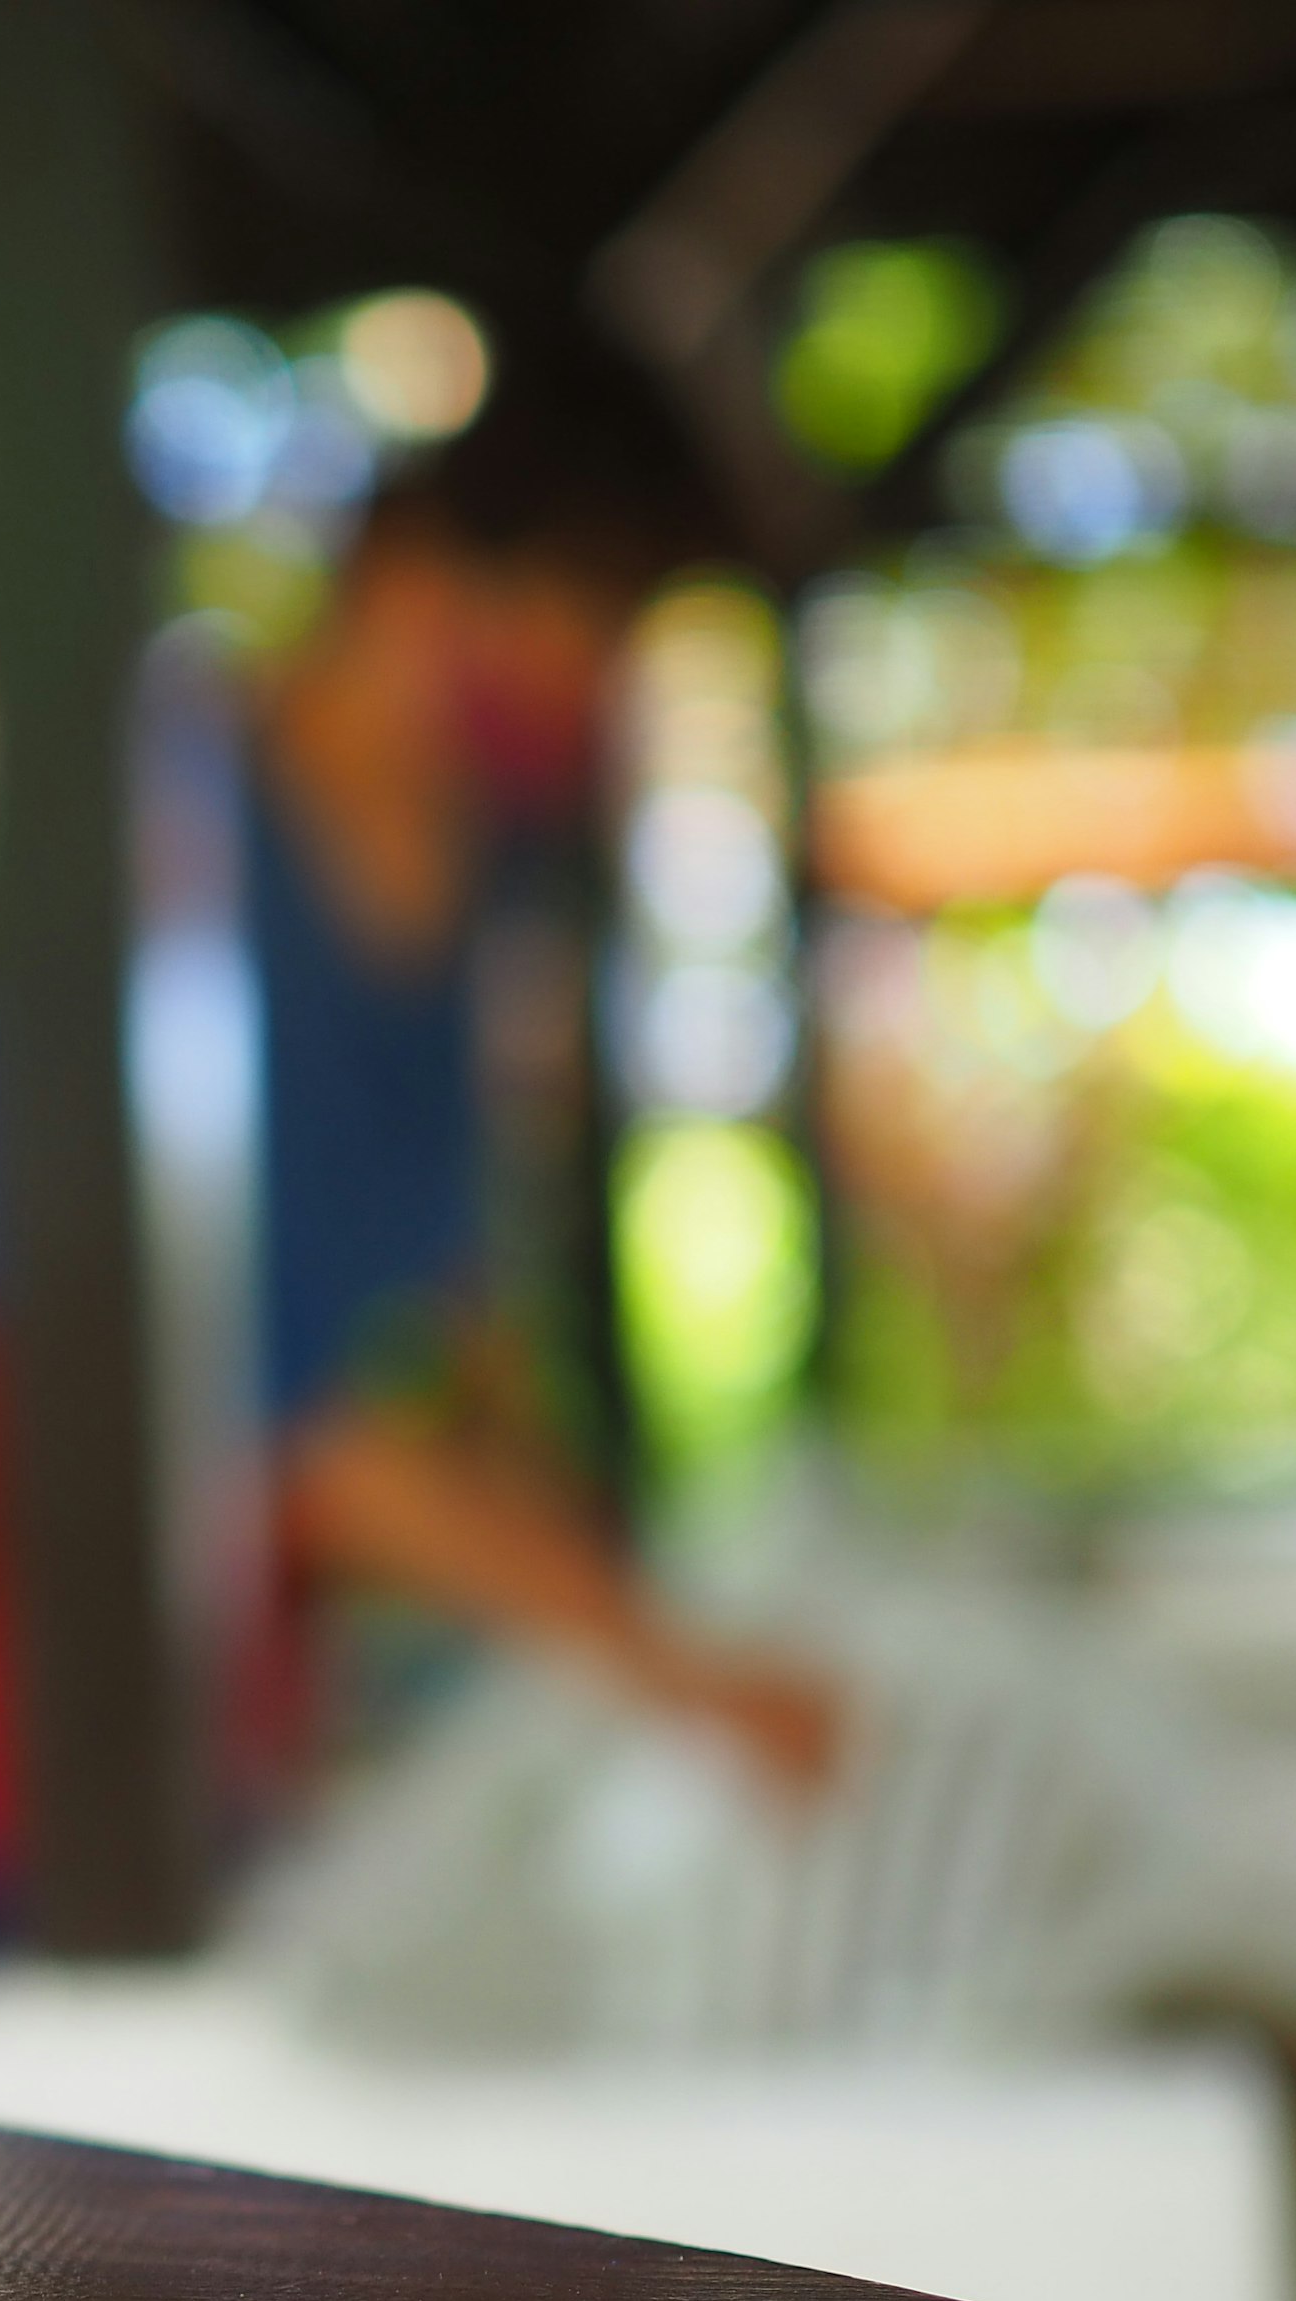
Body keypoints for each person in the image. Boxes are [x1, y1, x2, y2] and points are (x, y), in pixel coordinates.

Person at [240, 506, 840, 1805]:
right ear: (410, 589)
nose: (556, 719)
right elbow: (303, 1446)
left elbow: (454, 1332)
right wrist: (674, 1666)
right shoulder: (177, 863)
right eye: (542, 668)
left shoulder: (480, 883)